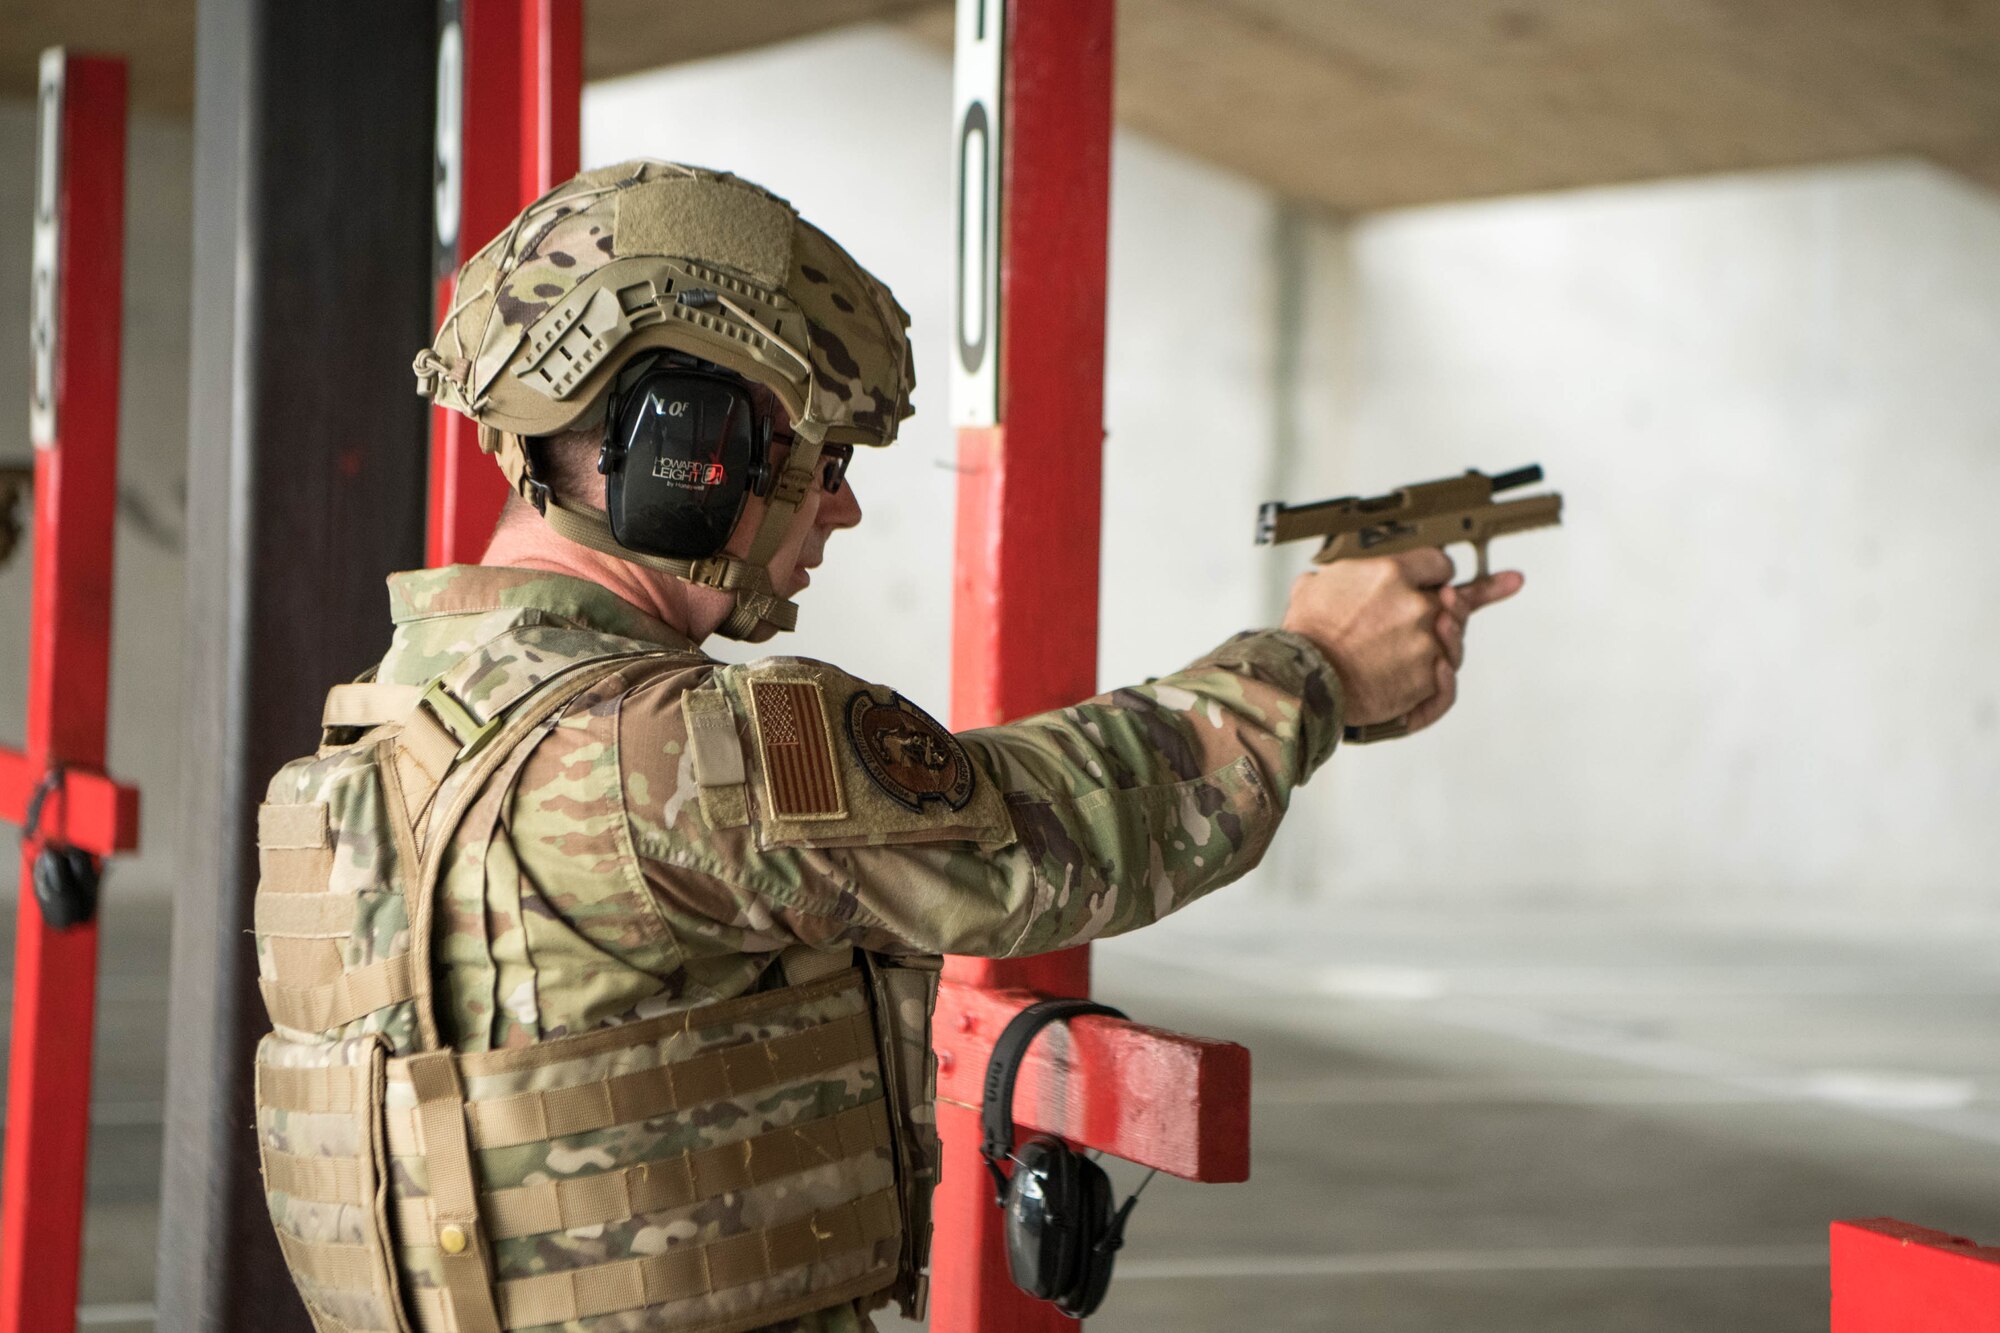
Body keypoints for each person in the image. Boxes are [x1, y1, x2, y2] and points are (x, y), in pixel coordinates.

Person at [247, 161, 1521, 1333]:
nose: (841, 506)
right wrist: (1314, 668)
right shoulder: (666, 749)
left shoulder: (365, 744)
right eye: (822, 456)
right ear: (690, 457)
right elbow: (1062, 833)